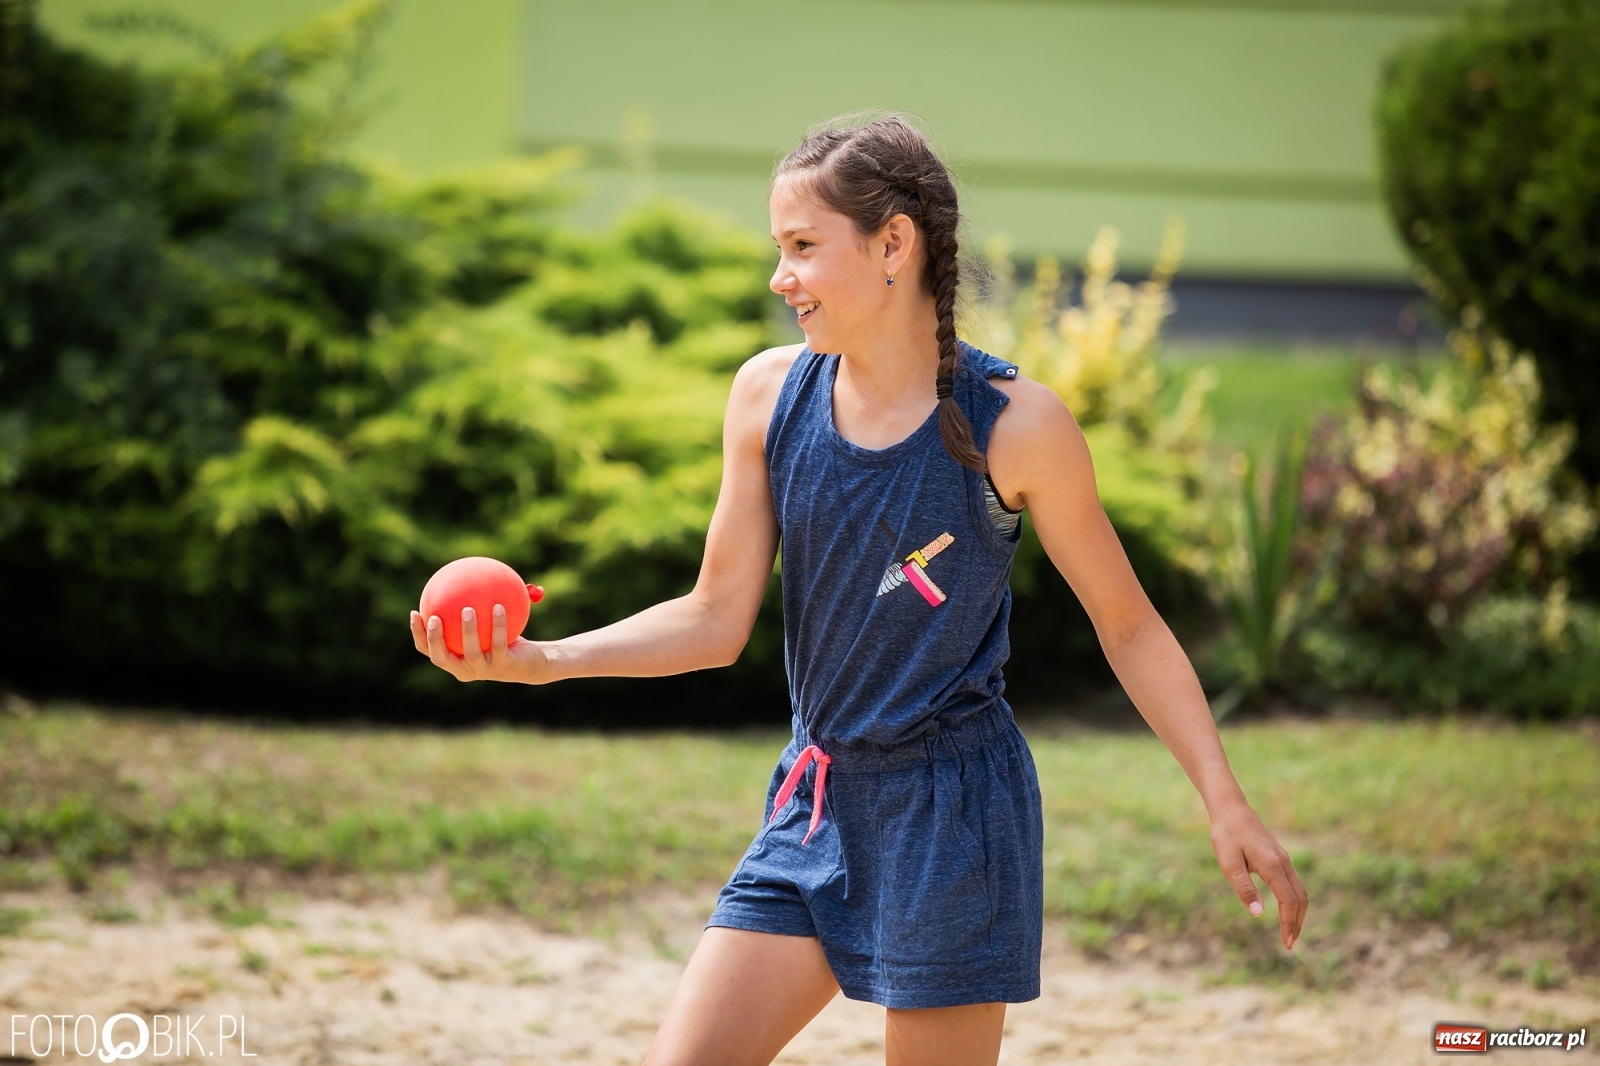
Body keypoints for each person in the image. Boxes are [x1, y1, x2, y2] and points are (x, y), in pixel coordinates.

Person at [409, 114, 1309, 1066]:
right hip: (815, 802)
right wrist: (543, 662)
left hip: (952, 820)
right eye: (777, 249)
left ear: (893, 245)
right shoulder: (768, 397)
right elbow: (715, 617)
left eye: (801, 248)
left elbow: (1128, 628)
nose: (778, 276)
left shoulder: (1017, 427)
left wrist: (1223, 798)